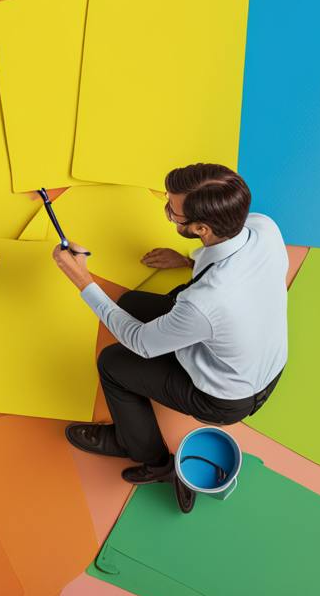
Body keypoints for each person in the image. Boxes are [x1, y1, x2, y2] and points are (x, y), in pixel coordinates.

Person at [52, 163, 287, 510]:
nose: (167, 213)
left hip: (228, 399)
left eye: (172, 212)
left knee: (114, 363)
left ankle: (146, 455)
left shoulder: (205, 302)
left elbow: (142, 343)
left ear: (202, 228)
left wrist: (84, 282)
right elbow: (237, 269)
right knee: (130, 303)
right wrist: (188, 260)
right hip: (266, 361)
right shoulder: (263, 228)